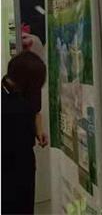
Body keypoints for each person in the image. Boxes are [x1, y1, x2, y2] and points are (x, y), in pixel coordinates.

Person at [2, 51, 47, 214]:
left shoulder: (12, 85)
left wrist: (38, 129)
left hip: (23, 164)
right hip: (12, 171)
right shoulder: (11, 109)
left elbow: (35, 111)